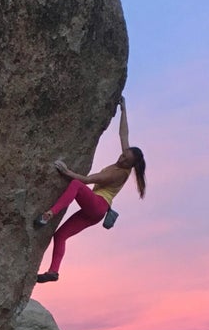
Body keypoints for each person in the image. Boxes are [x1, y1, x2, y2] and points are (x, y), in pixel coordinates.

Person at [34, 95, 146, 282]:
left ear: (131, 165)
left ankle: (49, 215)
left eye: (126, 160)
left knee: (76, 184)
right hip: (94, 213)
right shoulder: (125, 160)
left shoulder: (119, 173)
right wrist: (123, 110)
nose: (122, 158)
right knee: (60, 235)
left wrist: (66, 171)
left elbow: (85, 180)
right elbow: (123, 135)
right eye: (123, 154)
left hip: (98, 205)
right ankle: (54, 271)